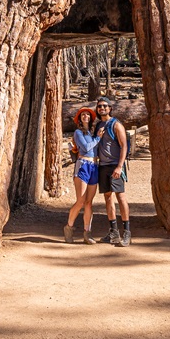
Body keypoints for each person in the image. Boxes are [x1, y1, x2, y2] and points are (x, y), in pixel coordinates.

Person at [95, 96, 131, 246]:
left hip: (115, 165)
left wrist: (119, 166)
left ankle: (127, 233)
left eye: (105, 106)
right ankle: (113, 232)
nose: (102, 108)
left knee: (120, 196)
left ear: (110, 108)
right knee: (108, 197)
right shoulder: (98, 126)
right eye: (99, 106)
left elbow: (124, 146)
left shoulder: (116, 125)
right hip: (103, 166)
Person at [63, 106, 100, 244]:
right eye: (83, 115)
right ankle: (69, 227)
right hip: (83, 165)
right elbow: (85, 148)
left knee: (89, 202)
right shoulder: (78, 132)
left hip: (94, 166)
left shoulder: (92, 133)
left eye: (88, 115)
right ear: (79, 118)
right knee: (81, 200)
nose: (85, 116)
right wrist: (98, 139)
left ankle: (87, 233)